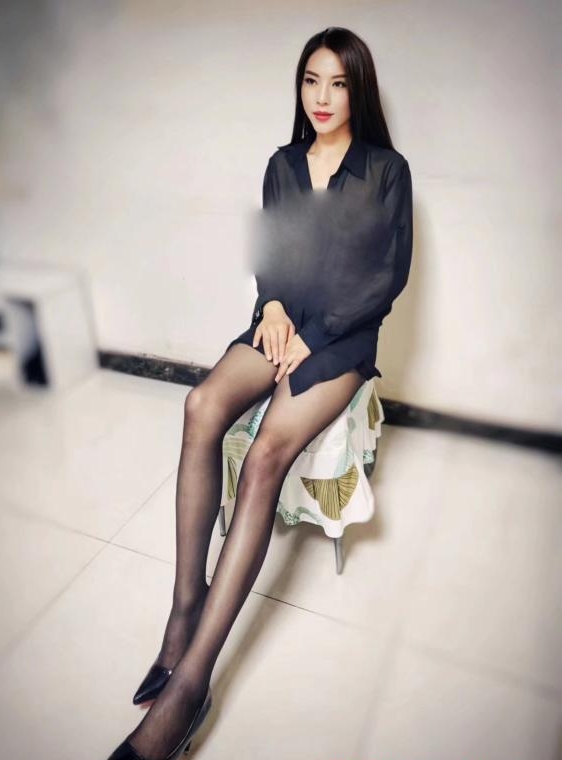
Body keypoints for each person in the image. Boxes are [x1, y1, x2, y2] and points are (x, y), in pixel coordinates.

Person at [107, 25, 413, 760]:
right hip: (282, 322)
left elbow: (387, 274)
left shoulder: (386, 170)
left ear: (359, 91)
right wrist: (272, 306)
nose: (323, 97)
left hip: (342, 338)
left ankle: (190, 687)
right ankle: (182, 615)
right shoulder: (282, 164)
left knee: (268, 452)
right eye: (312, 80)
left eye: (338, 83)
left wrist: (319, 332)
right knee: (201, 405)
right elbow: (274, 254)